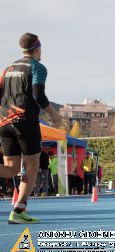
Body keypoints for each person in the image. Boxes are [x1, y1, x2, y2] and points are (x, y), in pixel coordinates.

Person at [0, 33, 61, 224]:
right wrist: (53, 114)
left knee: (11, 169)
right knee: (31, 167)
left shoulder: (8, 69)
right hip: (25, 122)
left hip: (4, 123)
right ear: (37, 49)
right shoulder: (38, 67)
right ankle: (18, 211)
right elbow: (37, 93)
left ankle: (18, 210)